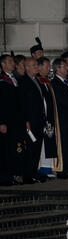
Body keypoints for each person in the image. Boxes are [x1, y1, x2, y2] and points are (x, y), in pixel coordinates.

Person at [19, 57, 47, 184]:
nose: (37, 67)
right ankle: (27, 175)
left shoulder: (36, 80)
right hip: (30, 121)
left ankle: (34, 171)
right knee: (30, 148)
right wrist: (26, 120)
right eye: (34, 65)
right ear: (27, 67)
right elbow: (22, 103)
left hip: (39, 120)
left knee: (36, 148)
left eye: (37, 65)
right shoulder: (24, 82)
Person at [0, 53, 27, 186]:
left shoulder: (15, 79)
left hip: (16, 121)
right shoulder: (2, 79)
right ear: (3, 64)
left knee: (14, 149)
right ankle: (4, 176)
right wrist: (1, 122)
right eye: (10, 61)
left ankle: (13, 174)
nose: (13, 64)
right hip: (6, 121)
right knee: (5, 149)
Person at [36, 57, 62, 177]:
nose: (49, 69)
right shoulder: (38, 81)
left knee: (50, 141)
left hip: (50, 118)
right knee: (43, 144)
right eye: (47, 66)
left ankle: (49, 167)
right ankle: (43, 168)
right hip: (43, 118)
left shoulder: (46, 81)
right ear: (39, 67)